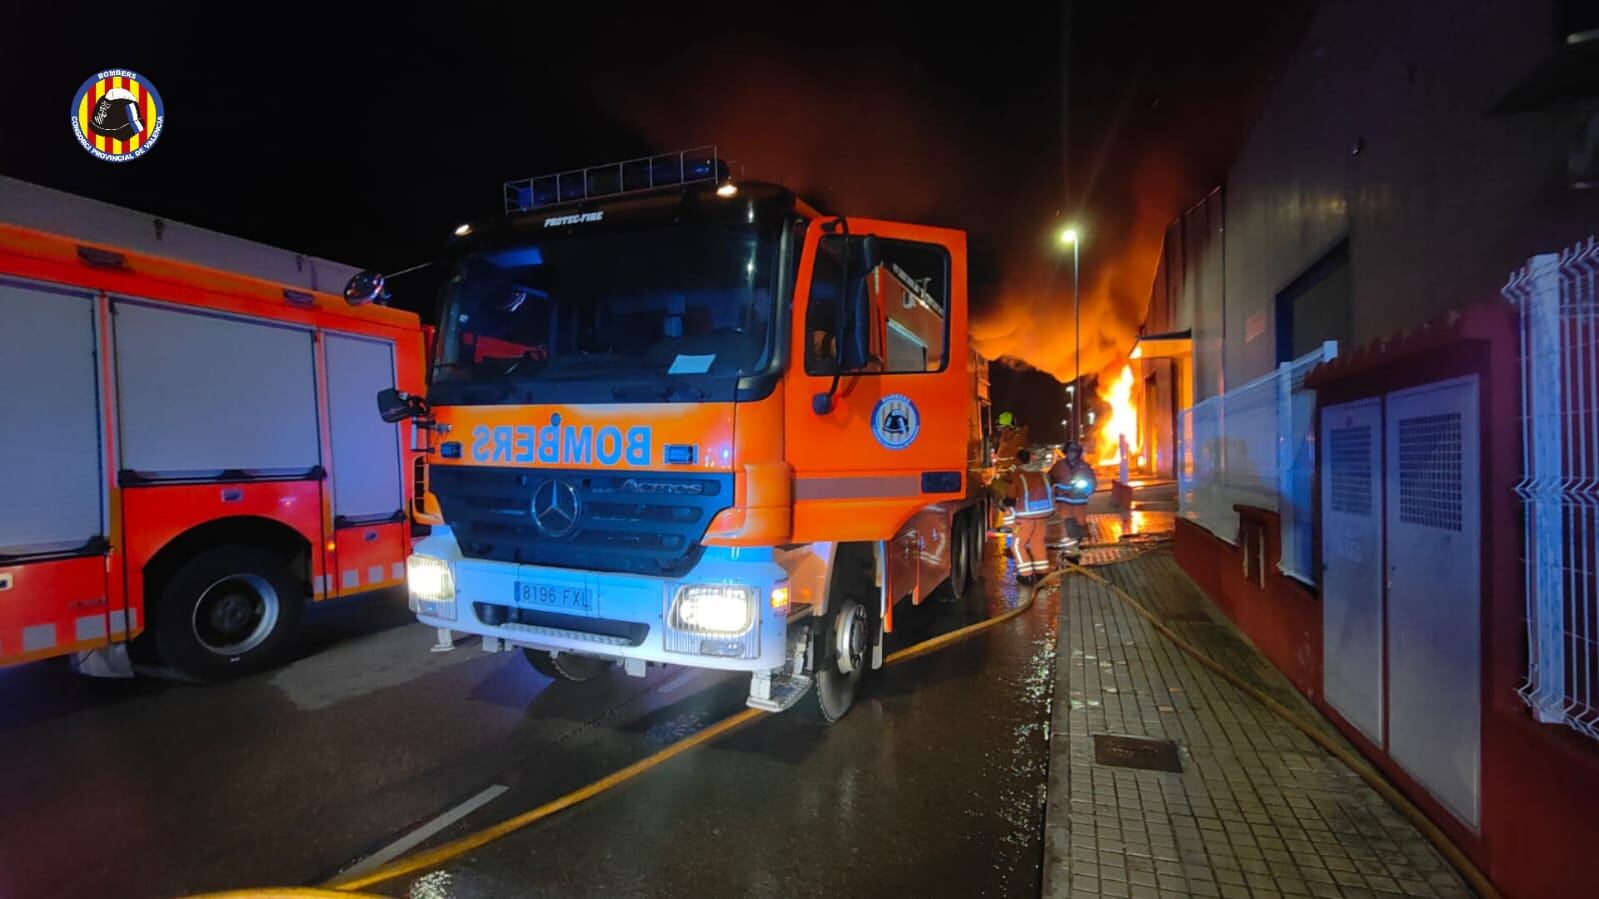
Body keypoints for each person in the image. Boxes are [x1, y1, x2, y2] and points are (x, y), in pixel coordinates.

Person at [1004, 448, 1056, 583]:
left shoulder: (1018, 475)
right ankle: (1042, 573)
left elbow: (1010, 497)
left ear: (1019, 460)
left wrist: (1005, 504)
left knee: (1017, 545)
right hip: (1043, 515)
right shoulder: (1042, 474)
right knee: (1037, 542)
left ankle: (1026, 575)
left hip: (1025, 516)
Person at [1050, 441, 1097, 561]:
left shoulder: (1084, 466)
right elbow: (1050, 479)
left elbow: (1092, 482)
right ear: (1065, 452)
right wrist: (1054, 491)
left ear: (1078, 453)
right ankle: (1072, 553)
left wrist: (1087, 491)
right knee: (1069, 525)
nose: (1071, 454)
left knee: (1080, 525)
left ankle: (1074, 548)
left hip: (1079, 501)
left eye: (1074, 452)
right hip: (1064, 501)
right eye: (1069, 451)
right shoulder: (1058, 466)